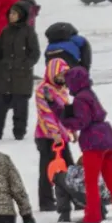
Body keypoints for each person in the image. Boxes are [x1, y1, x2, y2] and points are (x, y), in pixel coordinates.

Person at [44, 66, 112, 223]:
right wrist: (56, 106)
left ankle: (93, 216)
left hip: (93, 141)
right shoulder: (89, 94)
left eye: (68, 82)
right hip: (107, 137)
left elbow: (81, 122)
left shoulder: (80, 98)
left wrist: (65, 119)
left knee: (91, 181)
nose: (67, 85)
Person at [0, 3, 39, 141]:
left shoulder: (28, 31)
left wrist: (24, 65)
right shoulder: (5, 31)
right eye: (10, 13)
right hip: (4, 76)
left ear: (21, 15)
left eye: (14, 13)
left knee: (20, 108)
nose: (11, 16)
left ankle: (19, 133)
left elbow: (34, 53)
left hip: (21, 77)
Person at [35, 58, 75, 212]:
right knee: (47, 169)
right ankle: (46, 201)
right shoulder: (43, 90)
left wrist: (72, 130)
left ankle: (75, 197)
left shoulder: (62, 89)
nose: (63, 77)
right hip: (46, 137)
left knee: (70, 167)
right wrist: (54, 133)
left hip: (62, 136)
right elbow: (46, 114)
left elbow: (66, 112)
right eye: (61, 74)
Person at [53, 154, 111, 223]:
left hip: (87, 195)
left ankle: (64, 213)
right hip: (108, 197)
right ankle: (101, 210)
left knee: (59, 178)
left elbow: (69, 182)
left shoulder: (78, 170)